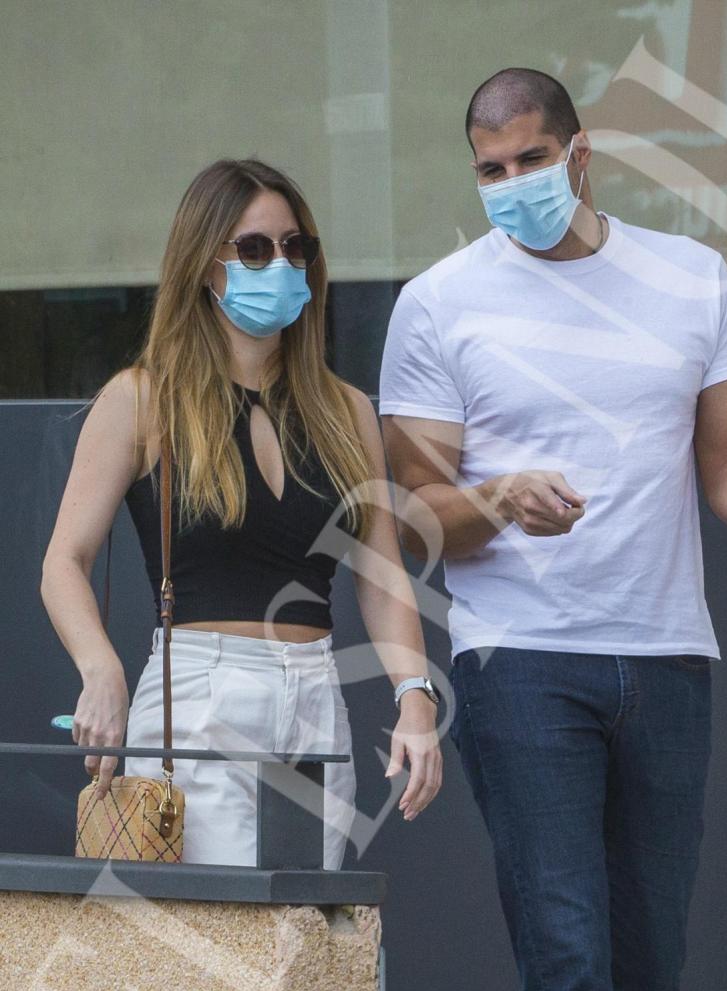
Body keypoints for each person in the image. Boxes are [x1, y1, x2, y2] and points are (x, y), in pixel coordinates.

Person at [378, 68, 727, 991]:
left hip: (666, 654)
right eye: (491, 170)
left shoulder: (690, 279)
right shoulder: (440, 302)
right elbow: (413, 518)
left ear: (581, 156)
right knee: (569, 963)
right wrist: (497, 496)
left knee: (648, 967)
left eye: (532, 160)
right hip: (521, 660)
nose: (513, 183)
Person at [40, 157, 443, 871]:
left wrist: (413, 697)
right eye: (253, 249)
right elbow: (64, 562)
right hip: (201, 688)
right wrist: (100, 666)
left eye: (296, 247)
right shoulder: (144, 399)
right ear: (203, 263)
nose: (278, 263)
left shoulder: (343, 409)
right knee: (218, 940)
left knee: (310, 940)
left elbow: (380, 576)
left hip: (315, 691)